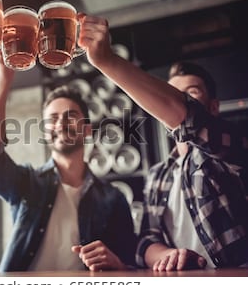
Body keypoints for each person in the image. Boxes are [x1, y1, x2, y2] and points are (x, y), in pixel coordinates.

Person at [76, 14, 248, 270]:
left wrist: (107, 61)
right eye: (171, 91)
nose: (178, 98)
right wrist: (170, 256)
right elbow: (147, 241)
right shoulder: (158, 174)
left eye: (190, 92)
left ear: (212, 107)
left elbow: (187, 117)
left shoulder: (232, 144)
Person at [0, 52, 136, 272]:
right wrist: (4, 78)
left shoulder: (114, 199)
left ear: (87, 129)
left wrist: (117, 264)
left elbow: (130, 265)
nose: (61, 124)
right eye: (53, 119)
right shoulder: (26, 183)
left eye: (70, 116)